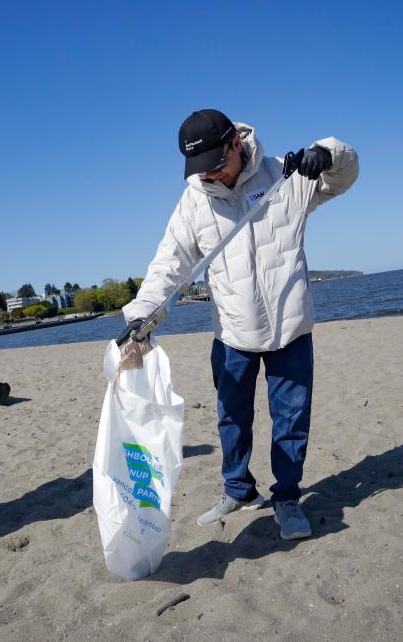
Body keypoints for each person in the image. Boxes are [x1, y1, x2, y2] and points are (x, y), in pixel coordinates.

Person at [118, 109, 358, 540]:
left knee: (290, 420)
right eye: (200, 168)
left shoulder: (285, 176)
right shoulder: (195, 200)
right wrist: (140, 314)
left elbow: (344, 174)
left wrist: (327, 152)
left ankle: (286, 499)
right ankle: (237, 489)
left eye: (216, 162)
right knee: (231, 418)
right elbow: (168, 266)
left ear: (236, 143)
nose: (210, 174)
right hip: (231, 334)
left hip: (291, 330)